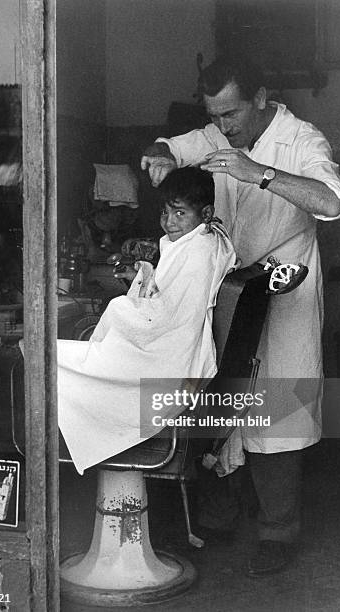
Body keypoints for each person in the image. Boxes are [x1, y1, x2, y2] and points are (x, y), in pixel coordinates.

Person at [141, 56, 340, 576]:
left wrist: (261, 175)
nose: (223, 125)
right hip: (229, 288)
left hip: (285, 285)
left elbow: (333, 201)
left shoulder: (303, 139)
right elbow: (166, 146)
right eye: (215, 114)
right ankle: (218, 515)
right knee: (220, 397)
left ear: (259, 96)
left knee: (279, 412)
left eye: (231, 113)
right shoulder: (216, 133)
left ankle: (278, 533)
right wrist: (161, 156)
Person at [56, 167, 236, 474]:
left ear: (205, 213)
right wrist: (144, 279)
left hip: (170, 362)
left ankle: (78, 439)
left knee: (49, 357)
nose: (169, 222)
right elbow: (175, 300)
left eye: (180, 213)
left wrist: (123, 305)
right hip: (178, 353)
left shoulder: (198, 253)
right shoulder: (203, 240)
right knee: (68, 357)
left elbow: (167, 319)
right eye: (166, 212)